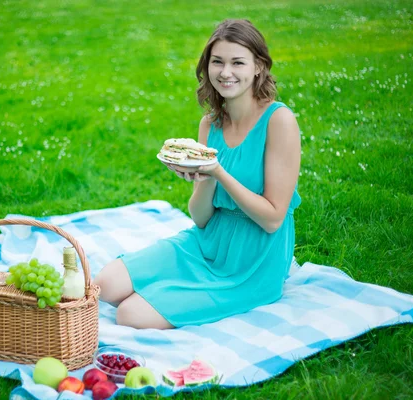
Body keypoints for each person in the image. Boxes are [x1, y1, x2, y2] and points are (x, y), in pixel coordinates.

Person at [93, 19, 301, 329]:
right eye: (217, 61)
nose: (225, 72)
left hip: (253, 260)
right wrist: (203, 178)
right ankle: (172, 288)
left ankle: (175, 294)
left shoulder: (278, 120)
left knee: (129, 314)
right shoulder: (211, 124)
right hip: (208, 240)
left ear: (258, 66)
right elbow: (201, 217)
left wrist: (218, 171)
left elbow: (272, 219)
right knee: (105, 284)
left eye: (237, 62)